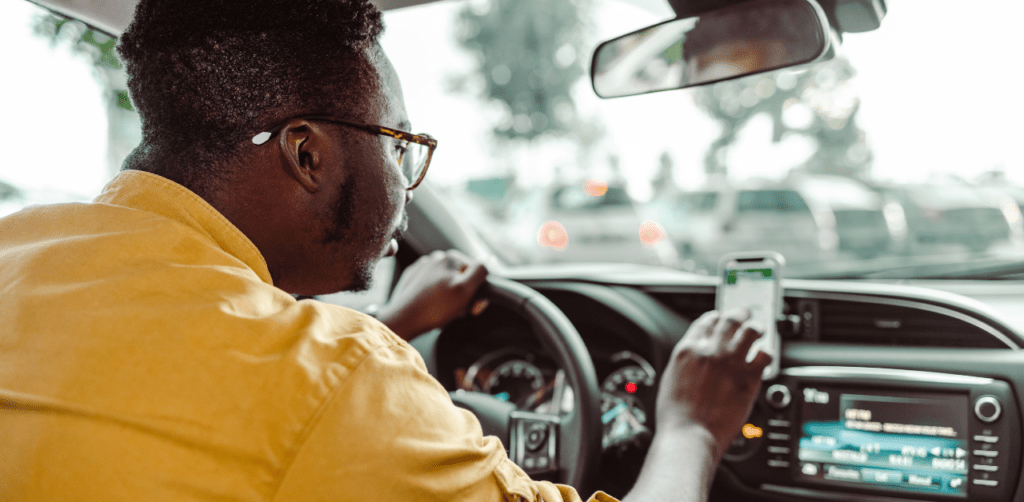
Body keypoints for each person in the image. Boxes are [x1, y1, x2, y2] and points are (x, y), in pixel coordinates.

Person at [0, 0, 770, 501]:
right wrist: (693, 427)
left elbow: (191, 380)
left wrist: (395, 324)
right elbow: (303, 403)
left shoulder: (18, 251)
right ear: (308, 155)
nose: (406, 181)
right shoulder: (342, 381)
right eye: (400, 146)